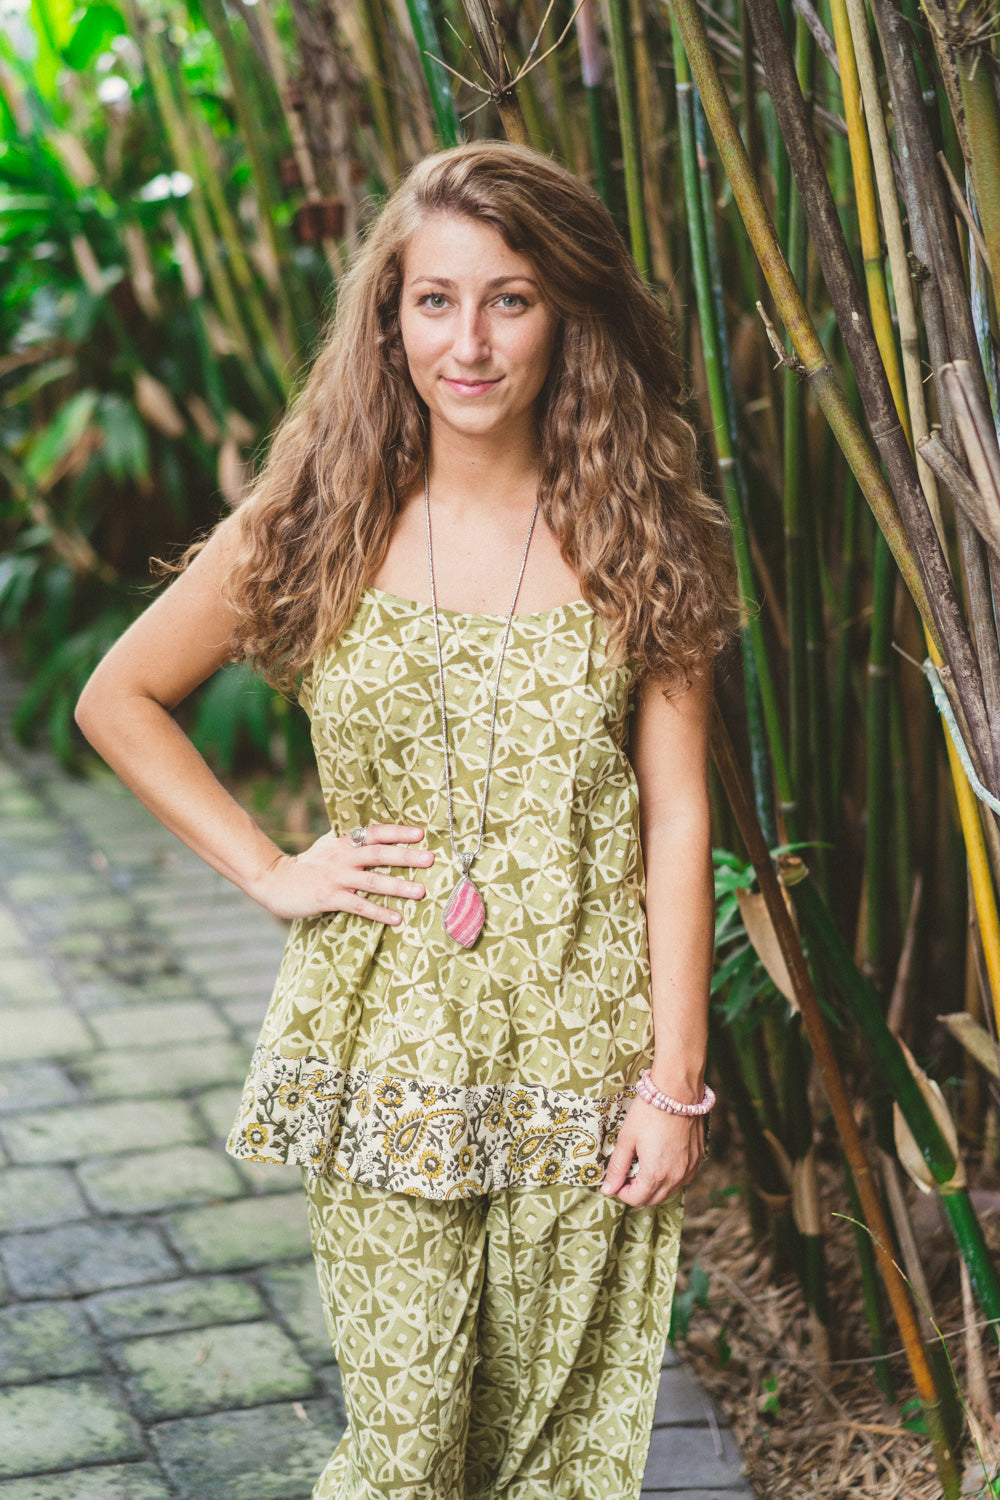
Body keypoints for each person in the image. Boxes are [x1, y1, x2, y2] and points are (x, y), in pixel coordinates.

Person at [76, 142, 737, 1500]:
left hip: (583, 1034)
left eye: (511, 299)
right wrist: (267, 868)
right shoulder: (316, 516)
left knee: (559, 1446)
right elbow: (121, 696)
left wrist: (673, 1083)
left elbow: (678, 816)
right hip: (387, 1038)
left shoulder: (641, 529)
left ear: (570, 316)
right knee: (410, 1444)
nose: (471, 342)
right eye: (435, 301)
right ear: (389, 320)